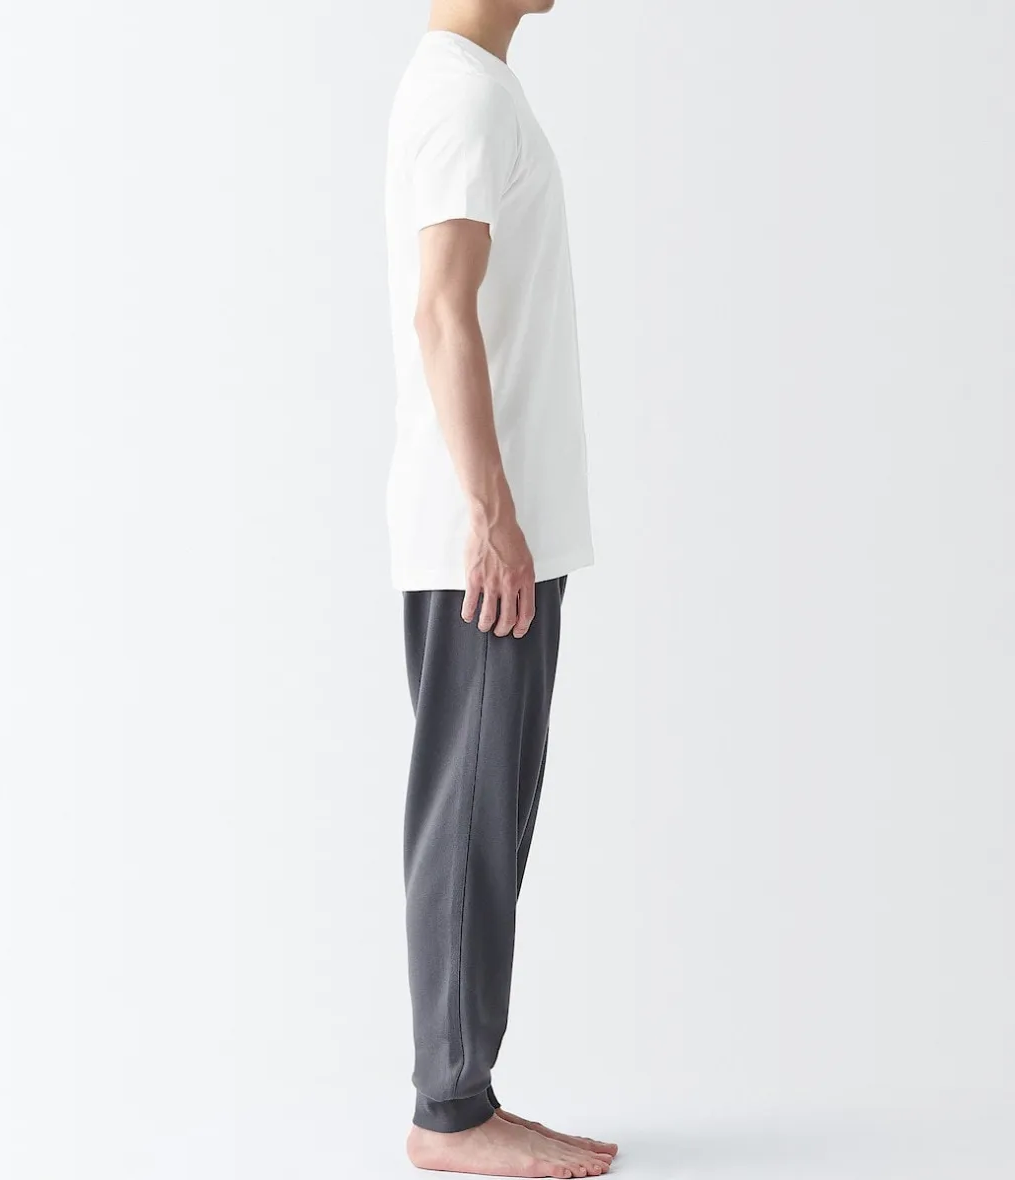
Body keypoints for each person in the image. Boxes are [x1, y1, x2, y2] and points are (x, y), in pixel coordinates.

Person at [385, 3, 615, 1176]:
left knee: (484, 818)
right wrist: (490, 514)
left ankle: (463, 1097)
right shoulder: (464, 96)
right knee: (470, 820)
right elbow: (442, 307)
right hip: (483, 542)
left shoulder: (470, 85)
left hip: (496, 531)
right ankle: (453, 1113)